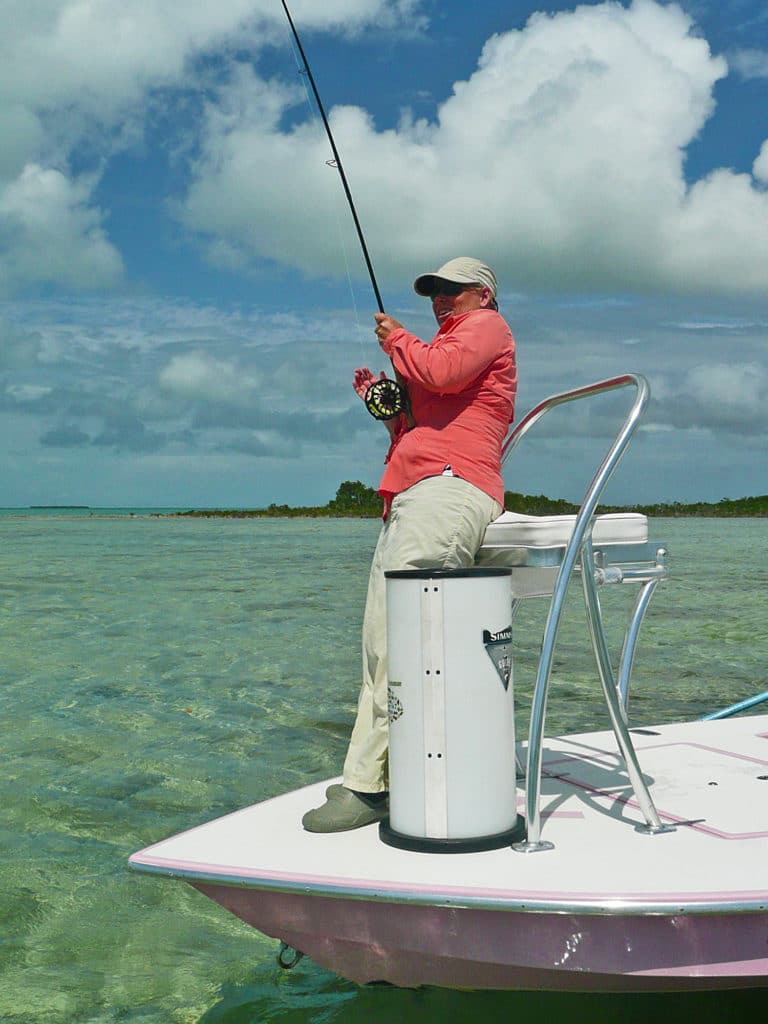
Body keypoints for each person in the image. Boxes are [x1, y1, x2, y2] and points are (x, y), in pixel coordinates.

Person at [302, 257, 517, 832]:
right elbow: (419, 424)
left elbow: (444, 373)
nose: (441, 300)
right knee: (380, 639)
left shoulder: (486, 329)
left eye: (453, 291)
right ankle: (380, 772)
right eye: (434, 292)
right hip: (419, 493)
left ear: (484, 294)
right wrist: (388, 404)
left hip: (448, 491)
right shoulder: (439, 348)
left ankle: (373, 787)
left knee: (404, 637)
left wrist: (398, 338)